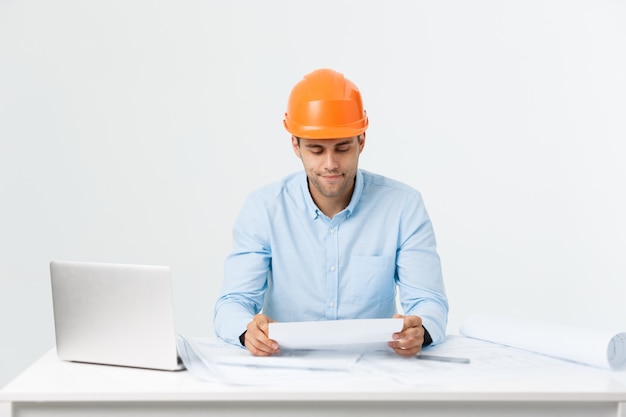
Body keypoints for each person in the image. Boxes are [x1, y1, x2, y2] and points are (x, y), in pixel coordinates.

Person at [214, 68, 448, 357]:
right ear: (295, 146)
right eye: (315, 149)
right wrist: (246, 330)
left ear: (361, 141)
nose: (330, 164)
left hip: (375, 371)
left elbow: (429, 301)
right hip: (286, 369)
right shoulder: (264, 209)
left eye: (342, 148)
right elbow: (232, 303)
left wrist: (419, 331)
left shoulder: (403, 207)